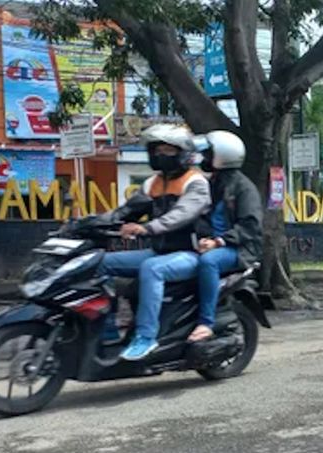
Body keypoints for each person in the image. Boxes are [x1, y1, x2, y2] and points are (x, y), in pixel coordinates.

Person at [99, 124, 210, 360]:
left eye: (168, 150)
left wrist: (146, 228)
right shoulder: (153, 183)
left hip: (190, 253)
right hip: (159, 251)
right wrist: (89, 224)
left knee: (152, 269)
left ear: (183, 153)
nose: (161, 155)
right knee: (100, 262)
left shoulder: (196, 183)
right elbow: (125, 211)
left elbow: (180, 215)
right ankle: (107, 329)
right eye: (157, 150)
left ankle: (146, 337)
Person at [188, 130, 264, 343]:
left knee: (208, 262)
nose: (204, 159)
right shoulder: (213, 184)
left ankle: (205, 322)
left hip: (240, 249)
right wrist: (204, 238)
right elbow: (203, 217)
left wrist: (218, 241)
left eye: (208, 155)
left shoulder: (243, 188)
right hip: (215, 245)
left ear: (222, 156)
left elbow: (250, 226)